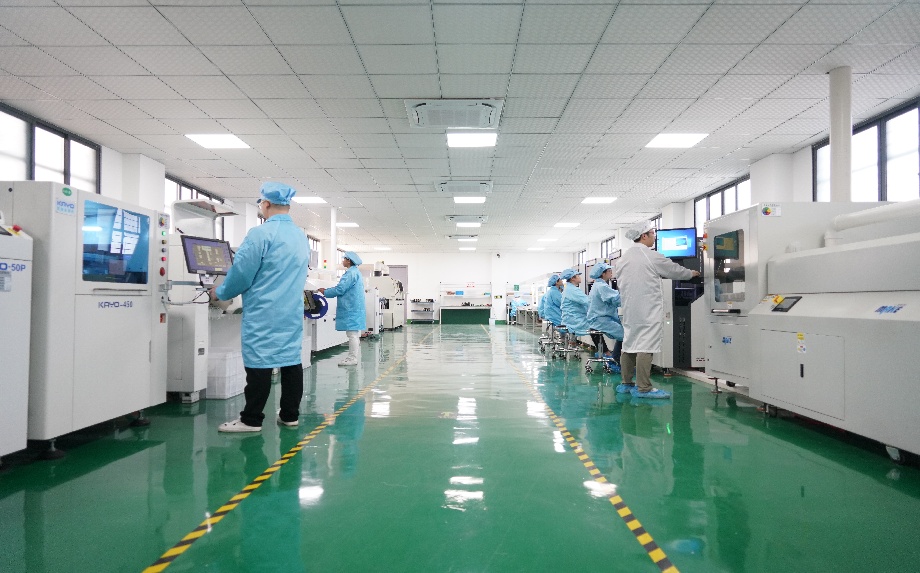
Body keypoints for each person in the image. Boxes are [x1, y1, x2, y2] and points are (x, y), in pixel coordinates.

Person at [211, 182, 310, 432]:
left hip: (264, 311)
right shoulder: (300, 236)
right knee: (290, 361)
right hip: (290, 312)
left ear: (265, 204)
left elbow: (242, 274)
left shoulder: (260, 234)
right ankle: (290, 415)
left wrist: (219, 293)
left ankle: (251, 419)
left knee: (259, 364)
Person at [615, 220, 699, 399]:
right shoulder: (649, 255)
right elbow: (673, 270)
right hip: (648, 309)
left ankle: (626, 383)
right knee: (645, 346)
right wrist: (691, 273)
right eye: (653, 233)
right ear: (644, 236)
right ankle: (644, 388)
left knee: (629, 344)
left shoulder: (623, 258)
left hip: (630, 309)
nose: (655, 237)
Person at [318, 251, 366, 366]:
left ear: (348, 260)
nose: (342, 261)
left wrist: (325, 292)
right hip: (354, 307)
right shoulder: (355, 272)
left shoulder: (350, 273)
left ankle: (352, 358)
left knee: (352, 335)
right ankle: (352, 357)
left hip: (351, 308)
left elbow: (340, 289)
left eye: (344, 259)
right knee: (353, 334)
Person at [586, 262, 623, 367]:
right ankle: (616, 361)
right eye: (609, 271)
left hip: (598, 319)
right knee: (625, 336)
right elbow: (616, 299)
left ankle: (615, 358)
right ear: (603, 273)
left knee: (623, 335)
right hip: (601, 320)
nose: (611, 273)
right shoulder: (602, 286)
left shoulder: (597, 285)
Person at [559, 268, 589, 341]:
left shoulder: (569, 288)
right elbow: (587, 301)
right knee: (598, 326)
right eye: (578, 275)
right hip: (575, 320)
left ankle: (572, 342)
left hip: (570, 319)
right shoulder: (572, 290)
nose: (580, 277)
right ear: (573, 278)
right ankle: (602, 348)